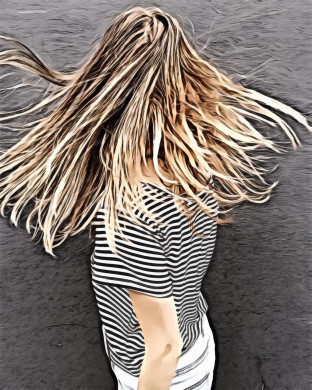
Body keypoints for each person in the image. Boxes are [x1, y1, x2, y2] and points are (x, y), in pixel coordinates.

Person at [0, 5, 311, 390]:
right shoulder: (193, 170)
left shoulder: (130, 217)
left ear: (101, 93)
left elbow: (163, 348)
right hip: (197, 343)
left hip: (162, 374)